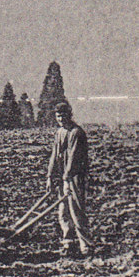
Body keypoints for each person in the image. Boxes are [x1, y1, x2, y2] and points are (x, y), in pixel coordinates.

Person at [45, 101, 94, 257]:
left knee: (76, 211)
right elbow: (54, 155)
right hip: (63, 177)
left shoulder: (76, 133)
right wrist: (50, 177)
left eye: (63, 115)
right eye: (58, 116)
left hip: (75, 178)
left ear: (69, 114)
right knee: (63, 212)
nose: (61, 118)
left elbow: (73, 158)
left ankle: (86, 246)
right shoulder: (60, 132)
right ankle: (69, 244)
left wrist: (66, 177)